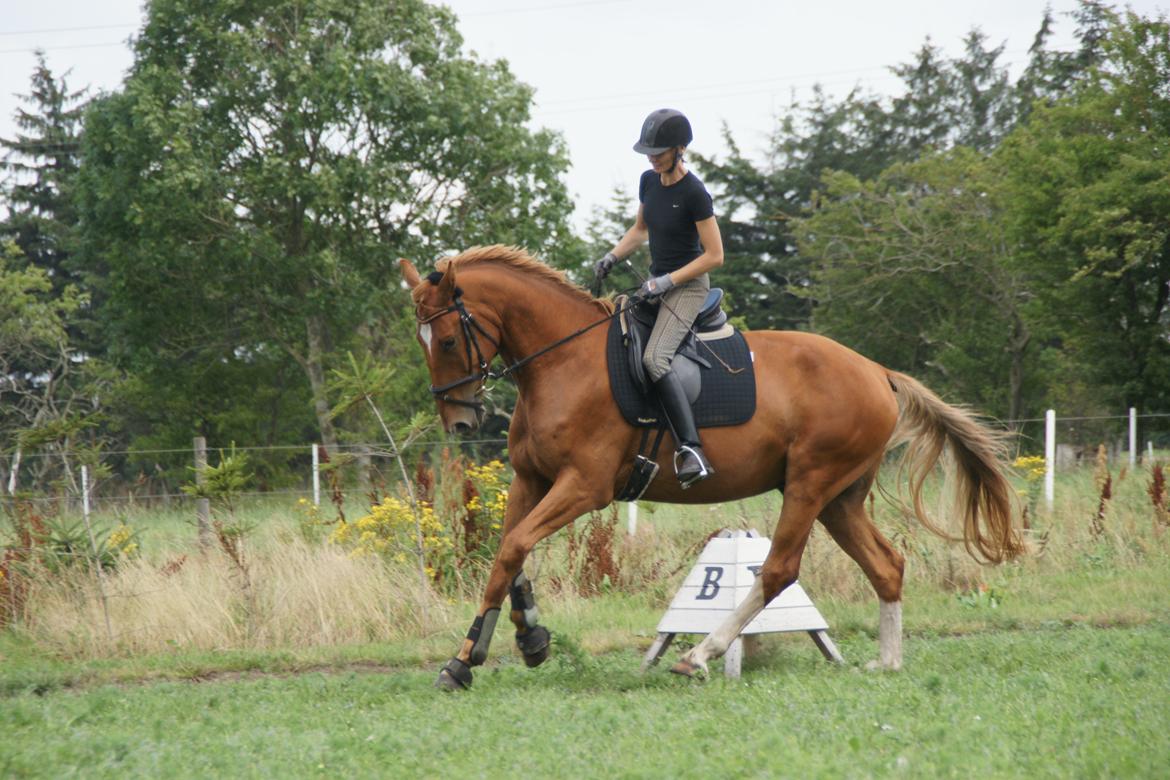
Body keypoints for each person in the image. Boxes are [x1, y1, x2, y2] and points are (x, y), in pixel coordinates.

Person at [595, 108, 724, 488]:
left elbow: (714, 256)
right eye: (648, 150)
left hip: (688, 287)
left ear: (680, 149)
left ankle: (691, 450)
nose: (651, 156)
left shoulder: (695, 194)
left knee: (655, 357)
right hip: (656, 282)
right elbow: (640, 230)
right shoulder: (649, 182)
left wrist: (667, 281)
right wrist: (612, 255)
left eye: (659, 150)